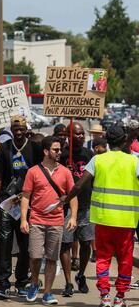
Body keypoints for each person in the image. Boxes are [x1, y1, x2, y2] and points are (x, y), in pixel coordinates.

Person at [61, 125, 139, 307]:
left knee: (103, 258)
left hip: (103, 219)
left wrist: (66, 199)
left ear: (108, 142)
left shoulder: (98, 160)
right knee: (125, 259)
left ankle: (105, 296)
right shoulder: (134, 161)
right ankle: (119, 297)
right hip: (127, 220)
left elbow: (79, 185)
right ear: (123, 140)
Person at [21, 136, 77, 305]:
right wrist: (24, 219)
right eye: (55, 149)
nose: (59, 152)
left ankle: (47, 293)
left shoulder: (66, 172)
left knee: (52, 258)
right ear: (46, 151)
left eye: (60, 149)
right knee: (36, 256)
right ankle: (35, 283)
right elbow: (25, 197)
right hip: (36, 220)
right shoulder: (33, 172)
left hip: (57, 221)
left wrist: (73, 217)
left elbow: (73, 196)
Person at [0, 115, 43, 299]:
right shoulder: (3, 148)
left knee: (25, 243)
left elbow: (41, 174)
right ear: (11, 131)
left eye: (21, 129)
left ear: (26, 129)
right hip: (7, 201)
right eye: (15, 129)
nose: (19, 132)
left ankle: (21, 281)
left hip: (28, 202)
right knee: (4, 242)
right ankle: (3, 283)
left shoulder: (35, 148)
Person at [60, 122, 94, 296]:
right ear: (69, 135)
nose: (81, 137)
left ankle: (80, 275)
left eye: (82, 134)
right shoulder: (62, 155)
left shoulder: (89, 154)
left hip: (86, 205)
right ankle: (67, 282)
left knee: (86, 242)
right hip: (66, 207)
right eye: (77, 134)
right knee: (65, 243)